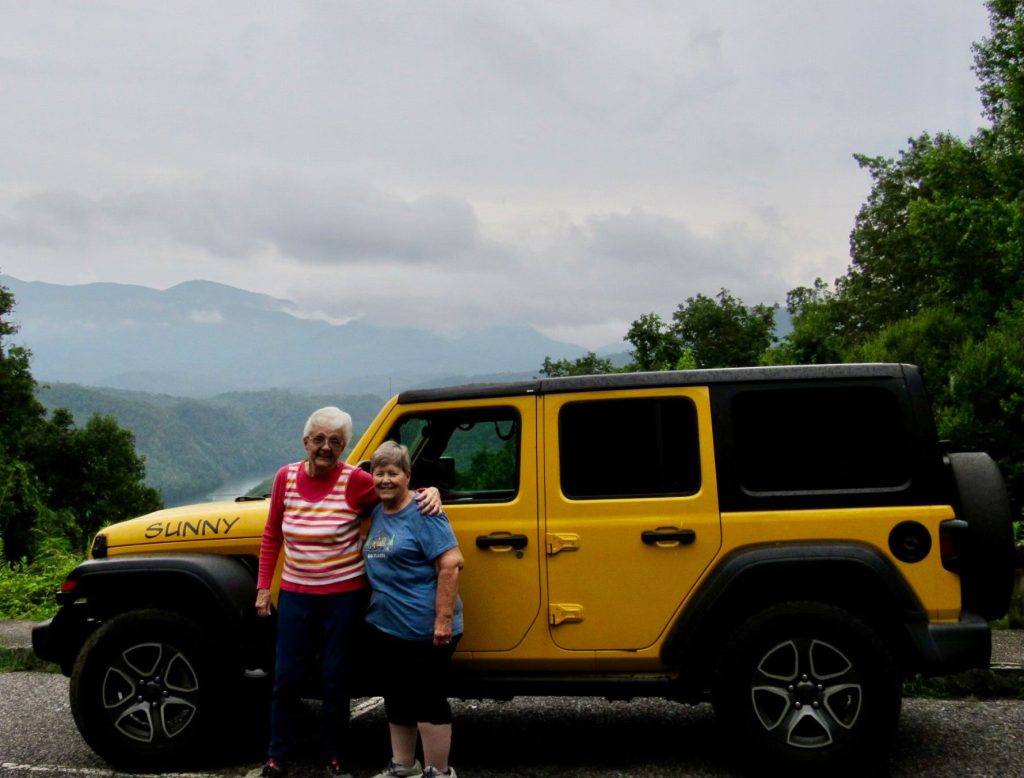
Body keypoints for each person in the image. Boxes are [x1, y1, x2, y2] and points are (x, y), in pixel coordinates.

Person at [254, 408, 442, 778]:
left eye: (335, 442)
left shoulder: (354, 480)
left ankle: (335, 756)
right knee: (287, 676)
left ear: (344, 446)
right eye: (319, 440)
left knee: (336, 677)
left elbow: (395, 491)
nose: (326, 448)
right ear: (305, 441)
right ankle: (277, 756)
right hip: (296, 593)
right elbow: (272, 532)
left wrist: (428, 491)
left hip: (344, 595)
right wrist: (263, 588)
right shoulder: (285, 478)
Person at [364, 441, 465, 778]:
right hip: (388, 626)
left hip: (426, 627)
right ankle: (404, 764)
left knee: (428, 701)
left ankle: (438, 771)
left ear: (407, 476)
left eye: (393, 473)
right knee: (397, 697)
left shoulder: (425, 511)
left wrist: (443, 620)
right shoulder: (379, 510)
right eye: (379, 473)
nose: (385, 480)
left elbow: (450, 564)